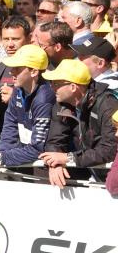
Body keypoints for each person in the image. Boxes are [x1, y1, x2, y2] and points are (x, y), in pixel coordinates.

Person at [40, 59, 118, 187]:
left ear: (73, 87)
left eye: (56, 83)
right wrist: (56, 163)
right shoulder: (62, 103)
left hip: (110, 177)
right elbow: (55, 140)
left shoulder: (107, 104)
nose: (52, 87)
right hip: (93, 173)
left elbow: (110, 149)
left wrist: (69, 158)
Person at [0, 45, 55, 169]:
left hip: (45, 166)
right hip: (23, 158)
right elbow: (10, 127)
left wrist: (0, 158)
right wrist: (1, 155)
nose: (11, 72)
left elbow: (38, 148)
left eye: (17, 69)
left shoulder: (44, 99)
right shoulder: (18, 91)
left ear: (34, 72)